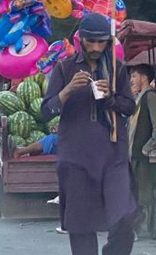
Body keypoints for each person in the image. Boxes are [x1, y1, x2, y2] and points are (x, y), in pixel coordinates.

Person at [41, 13, 137, 255]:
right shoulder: (64, 68)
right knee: (81, 225)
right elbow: (46, 111)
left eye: (101, 42)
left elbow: (129, 106)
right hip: (76, 157)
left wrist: (110, 98)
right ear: (81, 40)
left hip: (112, 155)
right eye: (91, 41)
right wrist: (68, 89)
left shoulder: (118, 69)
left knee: (126, 216)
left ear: (108, 41)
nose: (96, 47)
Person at [128, 64, 156, 232]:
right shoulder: (139, 97)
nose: (132, 80)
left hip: (142, 154)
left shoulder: (150, 96)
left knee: (141, 194)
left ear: (143, 78)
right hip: (133, 153)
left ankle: (135, 227)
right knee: (133, 190)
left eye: (134, 76)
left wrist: (149, 146)